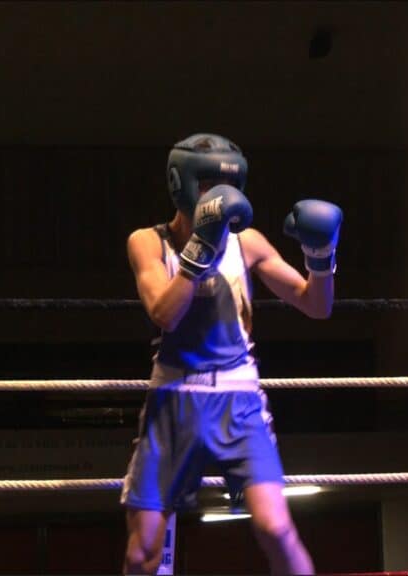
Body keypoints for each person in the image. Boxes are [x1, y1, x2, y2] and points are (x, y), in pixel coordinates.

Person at [120, 133, 343, 575]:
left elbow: (316, 305)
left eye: (226, 185)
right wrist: (200, 247)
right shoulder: (148, 242)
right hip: (174, 399)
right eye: (206, 185)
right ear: (181, 184)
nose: (217, 196)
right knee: (142, 553)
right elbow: (164, 313)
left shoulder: (248, 242)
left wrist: (321, 257)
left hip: (239, 399)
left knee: (276, 529)